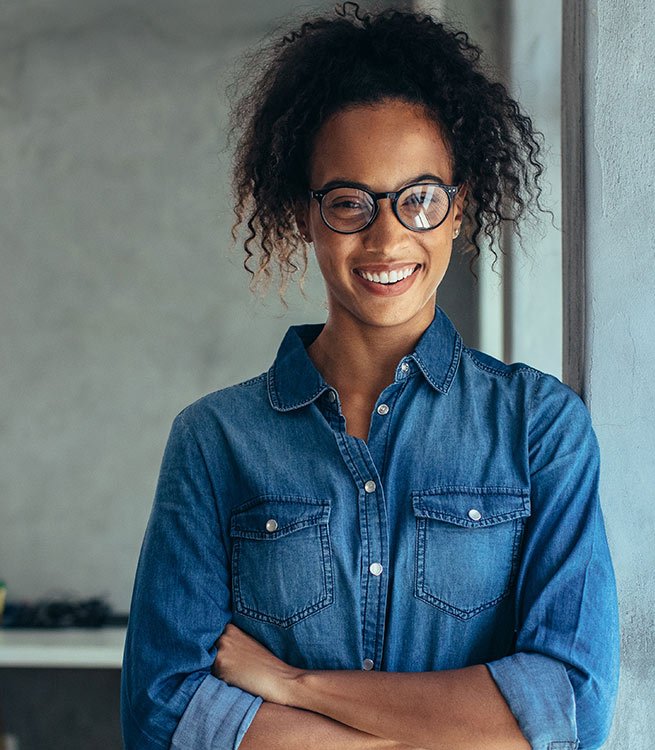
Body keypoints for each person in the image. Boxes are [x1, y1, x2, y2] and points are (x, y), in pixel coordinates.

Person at [120, 4, 620, 749]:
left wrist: (293, 686)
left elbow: (569, 706)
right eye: (350, 202)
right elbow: (164, 713)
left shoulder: (539, 427)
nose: (388, 237)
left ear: (459, 209)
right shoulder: (214, 442)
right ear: (304, 214)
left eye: (419, 199)